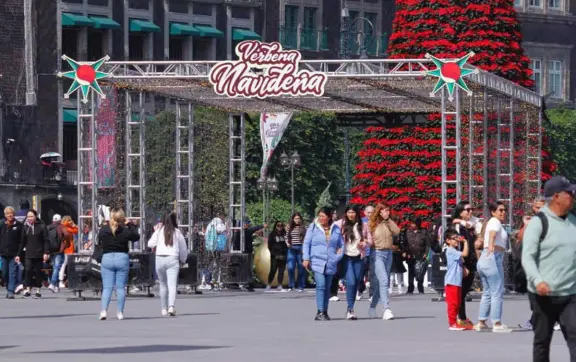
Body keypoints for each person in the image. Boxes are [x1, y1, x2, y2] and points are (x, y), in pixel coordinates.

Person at [522, 176, 576, 362]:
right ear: (556, 197)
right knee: (542, 342)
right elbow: (527, 257)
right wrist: (538, 281)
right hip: (543, 295)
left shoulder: (573, 222)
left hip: (570, 294)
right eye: (569, 193)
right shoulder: (539, 223)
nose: (573, 196)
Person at [474, 201, 511, 332]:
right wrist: (490, 245)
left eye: (504, 210)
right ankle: (497, 323)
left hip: (485, 259)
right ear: (493, 212)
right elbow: (492, 235)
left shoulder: (491, 222)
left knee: (488, 292)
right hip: (492, 256)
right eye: (500, 210)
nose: (503, 212)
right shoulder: (495, 221)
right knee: (497, 292)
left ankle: (481, 321)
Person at [98, 208, 140, 320]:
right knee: (120, 288)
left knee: (107, 288)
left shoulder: (104, 229)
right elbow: (136, 237)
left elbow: (99, 241)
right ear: (122, 218)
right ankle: (120, 312)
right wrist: (130, 224)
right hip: (122, 258)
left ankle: (103, 311)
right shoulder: (125, 230)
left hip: (107, 258)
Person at [303, 206, 344, 321]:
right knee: (320, 285)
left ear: (329, 217)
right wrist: (306, 257)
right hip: (317, 260)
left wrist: (338, 256)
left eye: (323, 216)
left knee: (327, 288)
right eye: (319, 216)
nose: (320, 218)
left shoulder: (335, 228)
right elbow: (306, 243)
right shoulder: (313, 227)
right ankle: (319, 311)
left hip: (331, 261)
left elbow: (341, 244)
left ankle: (325, 311)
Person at [147, 212, 188, 317]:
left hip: (160, 258)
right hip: (172, 259)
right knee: (172, 284)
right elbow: (183, 248)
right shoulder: (177, 232)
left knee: (162, 284)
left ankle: (163, 308)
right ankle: (171, 307)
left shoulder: (159, 231)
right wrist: (183, 260)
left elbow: (150, 244)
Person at [337, 205, 371, 320]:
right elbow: (332, 234)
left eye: (353, 212)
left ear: (357, 213)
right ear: (346, 213)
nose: (351, 215)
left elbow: (370, 240)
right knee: (350, 282)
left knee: (356, 281)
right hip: (346, 257)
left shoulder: (363, 225)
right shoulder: (340, 224)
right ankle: (350, 309)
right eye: (349, 212)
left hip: (359, 257)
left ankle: (350, 308)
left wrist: (364, 243)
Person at [368, 203, 401, 320]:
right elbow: (368, 238)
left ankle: (372, 307)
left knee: (381, 283)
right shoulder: (372, 223)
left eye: (388, 210)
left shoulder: (388, 223)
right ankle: (386, 309)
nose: (387, 212)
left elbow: (397, 231)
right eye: (384, 210)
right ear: (379, 211)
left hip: (388, 253)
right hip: (377, 253)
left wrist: (388, 220)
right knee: (384, 280)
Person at [451, 201, 478, 330]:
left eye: (471, 209)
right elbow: (458, 247)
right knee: (461, 292)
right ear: (460, 212)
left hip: (471, 261)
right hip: (464, 262)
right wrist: (462, 265)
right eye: (467, 210)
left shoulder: (468, 226)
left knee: (464, 291)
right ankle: (460, 318)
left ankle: (461, 317)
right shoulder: (458, 227)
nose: (470, 211)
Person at [17, 209, 49, 298]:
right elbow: (22, 242)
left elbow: (46, 240)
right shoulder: (25, 227)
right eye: (28, 217)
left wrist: (46, 252)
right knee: (27, 270)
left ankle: (38, 289)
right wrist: (18, 254)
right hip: (28, 253)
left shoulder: (42, 226)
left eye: (31, 216)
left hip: (39, 253)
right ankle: (28, 288)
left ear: (35, 216)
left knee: (38, 272)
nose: (30, 218)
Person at [444, 228, 469, 331]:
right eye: (453, 239)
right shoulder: (450, 251)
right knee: (452, 303)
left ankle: (455, 322)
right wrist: (465, 242)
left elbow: (461, 260)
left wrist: (464, 269)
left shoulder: (455, 251)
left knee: (457, 302)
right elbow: (465, 254)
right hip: (451, 281)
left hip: (457, 281)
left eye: (456, 238)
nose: (456, 241)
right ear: (448, 240)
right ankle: (452, 323)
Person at [0, 206, 23, 299]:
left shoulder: (19, 225)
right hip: (3, 253)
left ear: (14, 214)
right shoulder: (2, 224)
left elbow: (21, 241)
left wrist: (19, 253)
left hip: (14, 253)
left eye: (11, 213)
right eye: (8, 213)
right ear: (5, 215)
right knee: (5, 273)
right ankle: (8, 286)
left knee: (12, 273)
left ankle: (10, 291)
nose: (10, 215)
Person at [404, 218, 429, 295]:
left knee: (420, 272)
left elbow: (427, 244)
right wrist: (405, 252)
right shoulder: (408, 232)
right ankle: (410, 289)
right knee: (411, 272)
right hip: (410, 255)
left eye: (413, 224)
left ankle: (420, 288)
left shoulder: (424, 232)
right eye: (411, 224)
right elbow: (405, 243)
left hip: (420, 255)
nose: (412, 225)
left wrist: (426, 253)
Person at [53, 216, 78, 291]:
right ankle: (60, 281)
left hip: (69, 249)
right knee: (63, 265)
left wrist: (73, 225)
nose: (71, 222)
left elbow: (76, 231)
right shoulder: (65, 227)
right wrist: (71, 224)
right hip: (67, 250)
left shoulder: (65, 227)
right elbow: (73, 229)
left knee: (66, 265)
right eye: (69, 220)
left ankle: (64, 280)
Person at [357, 205, 374, 301]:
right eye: (368, 212)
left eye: (372, 212)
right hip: (363, 252)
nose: (370, 214)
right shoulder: (360, 222)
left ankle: (371, 294)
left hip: (373, 251)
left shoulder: (377, 222)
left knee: (372, 274)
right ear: (364, 212)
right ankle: (360, 289)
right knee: (360, 273)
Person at [286, 212, 306, 292]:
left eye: (298, 218)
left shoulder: (304, 227)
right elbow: (286, 236)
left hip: (301, 248)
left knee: (301, 267)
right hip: (291, 248)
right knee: (291, 267)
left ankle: (300, 285)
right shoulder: (289, 227)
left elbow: (307, 237)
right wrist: (287, 243)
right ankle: (291, 285)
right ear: (293, 219)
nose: (297, 220)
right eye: (296, 219)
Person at [266, 220, 288, 291]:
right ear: (275, 226)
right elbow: (270, 246)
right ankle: (269, 284)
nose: (280, 227)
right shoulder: (272, 234)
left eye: (281, 225)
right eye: (278, 225)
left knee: (281, 271)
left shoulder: (284, 234)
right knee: (273, 270)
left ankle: (280, 285)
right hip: (274, 256)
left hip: (283, 255)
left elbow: (286, 245)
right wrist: (274, 254)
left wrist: (285, 254)